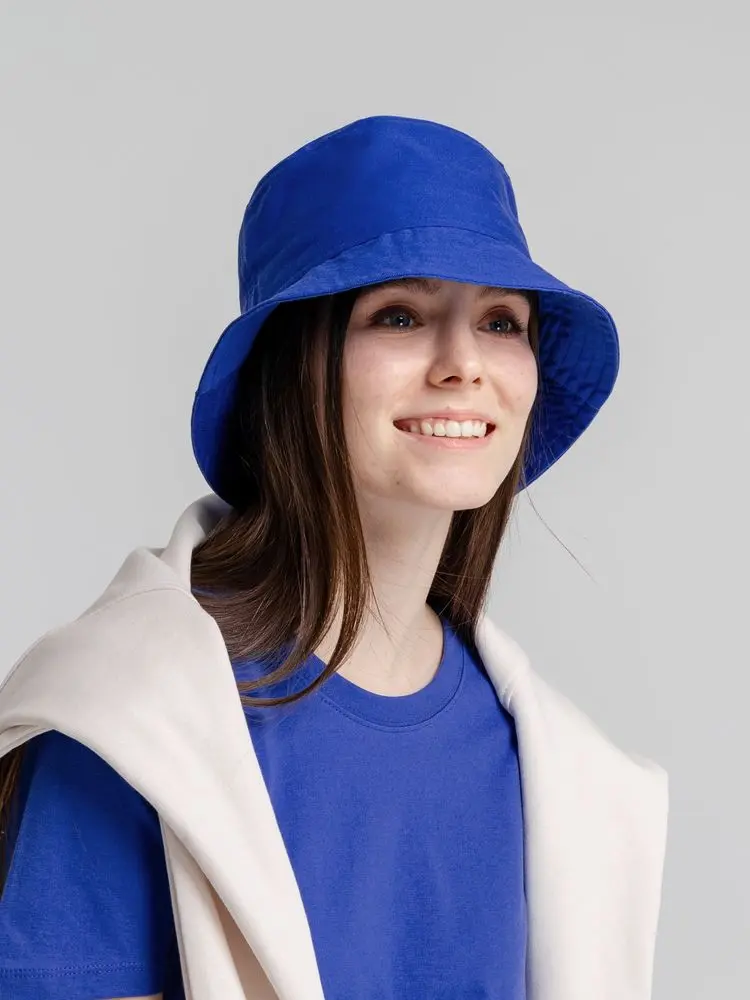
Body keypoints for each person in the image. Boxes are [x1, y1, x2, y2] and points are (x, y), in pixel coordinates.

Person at [0, 115, 669, 1000]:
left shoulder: (571, 779)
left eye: (502, 322)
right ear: (293, 365)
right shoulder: (129, 721)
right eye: (399, 315)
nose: (464, 364)